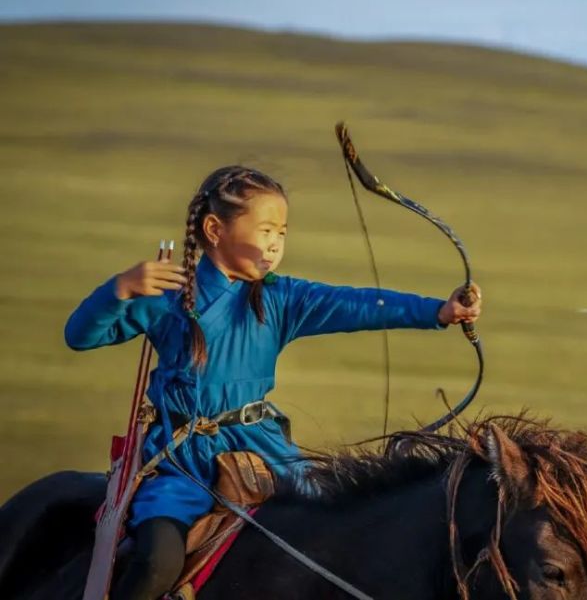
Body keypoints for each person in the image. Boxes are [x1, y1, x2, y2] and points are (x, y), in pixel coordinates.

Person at [64, 165, 482, 599]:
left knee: (336, 530)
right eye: (265, 229)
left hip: (262, 449)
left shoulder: (282, 298)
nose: (276, 244)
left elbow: (355, 304)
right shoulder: (167, 296)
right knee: (157, 561)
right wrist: (119, 290)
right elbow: (80, 336)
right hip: (180, 460)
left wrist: (438, 312)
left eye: (282, 232)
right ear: (214, 229)